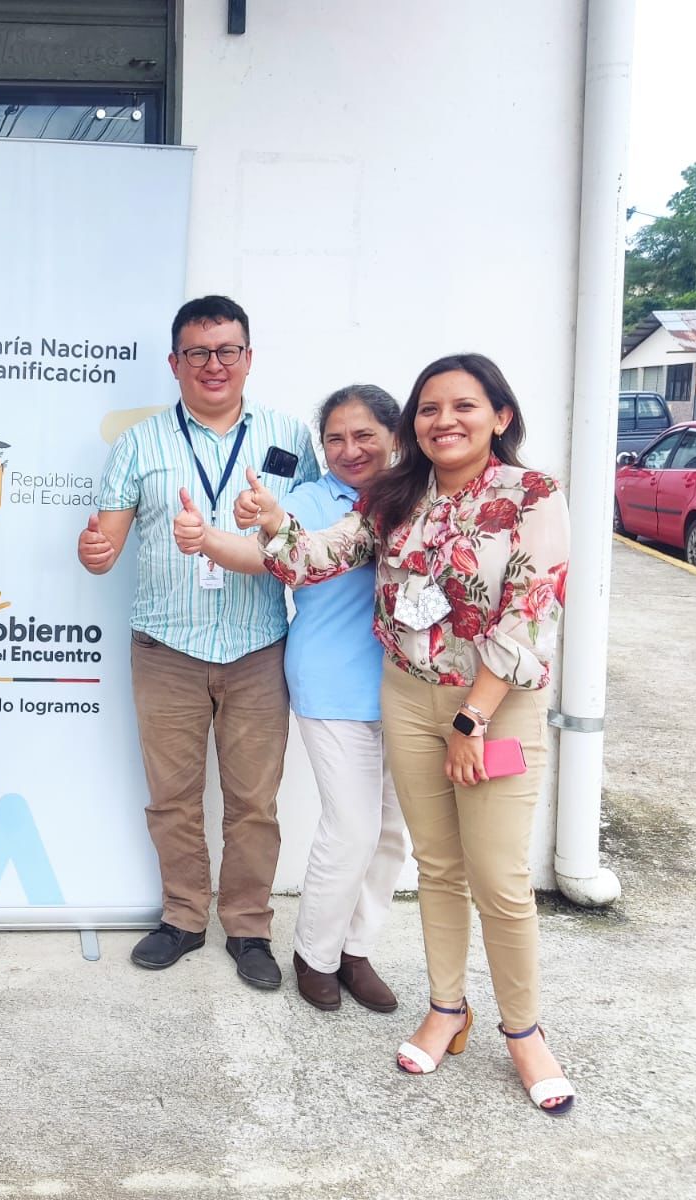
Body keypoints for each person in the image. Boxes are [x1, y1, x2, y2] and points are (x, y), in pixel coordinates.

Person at [238, 353, 574, 1115]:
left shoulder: (531, 494)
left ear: (500, 416)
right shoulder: (396, 496)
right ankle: (446, 1009)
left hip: (493, 707)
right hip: (407, 698)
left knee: (499, 880)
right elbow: (323, 557)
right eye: (429, 408)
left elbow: (532, 611)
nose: (444, 421)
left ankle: (524, 1032)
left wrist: (472, 718)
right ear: (413, 426)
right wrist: (275, 523)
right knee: (439, 869)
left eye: (463, 406)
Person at [78, 295, 319, 989]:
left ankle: (248, 927)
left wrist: (271, 520)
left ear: (248, 357)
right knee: (173, 797)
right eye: (198, 353)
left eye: (227, 351)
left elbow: (308, 539)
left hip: (258, 648)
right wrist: (94, 551)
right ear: (174, 362)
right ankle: (183, 918)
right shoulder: (139, 443)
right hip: (166, 650)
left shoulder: (289, 436)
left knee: (254, 803)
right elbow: (104, 546)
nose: (214, 365)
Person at [176, 384, 407, 1013]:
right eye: (335, 439)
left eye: (363, 435)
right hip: (333, 682)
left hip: (411, 689)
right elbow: (266, 553)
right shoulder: (309, 499)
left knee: (390, 833)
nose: (349, 450)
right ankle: (316, 954)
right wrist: (211, 539)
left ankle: (357, 950)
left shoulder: (417, 494)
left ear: (394, 436)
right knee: (352, 828)